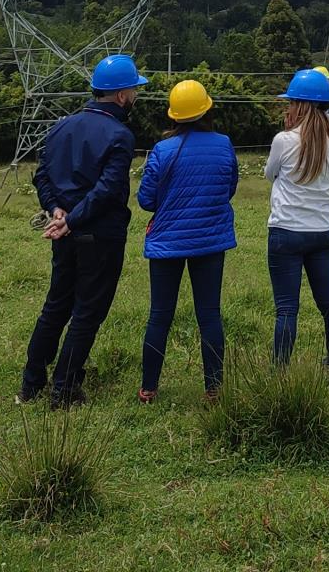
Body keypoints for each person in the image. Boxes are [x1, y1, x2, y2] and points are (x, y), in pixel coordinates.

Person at [21, 54, 143, 406]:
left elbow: (41, 175)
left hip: (64, 232)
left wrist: (55, 210)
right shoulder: (120, 135)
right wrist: (71, 219)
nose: (135, 96)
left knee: (56, 306)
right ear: (121, 96)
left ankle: (31, 385)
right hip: (99, 234)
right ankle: (65, 389)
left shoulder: (61, 126)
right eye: (133, 89)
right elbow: (107, 190)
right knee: (88, 312)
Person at [136, 78, 237, 402]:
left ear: (174, 115)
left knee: (159, 316)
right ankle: (214, 389)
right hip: (210, 240)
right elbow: (229, 188)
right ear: (207, 109)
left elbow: (145, 200)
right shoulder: (224, 144)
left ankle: (148, 388)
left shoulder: (162, 151)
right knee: (209, 314)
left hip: (167, 243)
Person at [265, 68, 329, 373]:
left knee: (286, 308)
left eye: (290, 102)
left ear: (299, 106)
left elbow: (269, 174)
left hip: (286, 231)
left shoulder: (284, 140)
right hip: (323, 232)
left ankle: (280, 370)